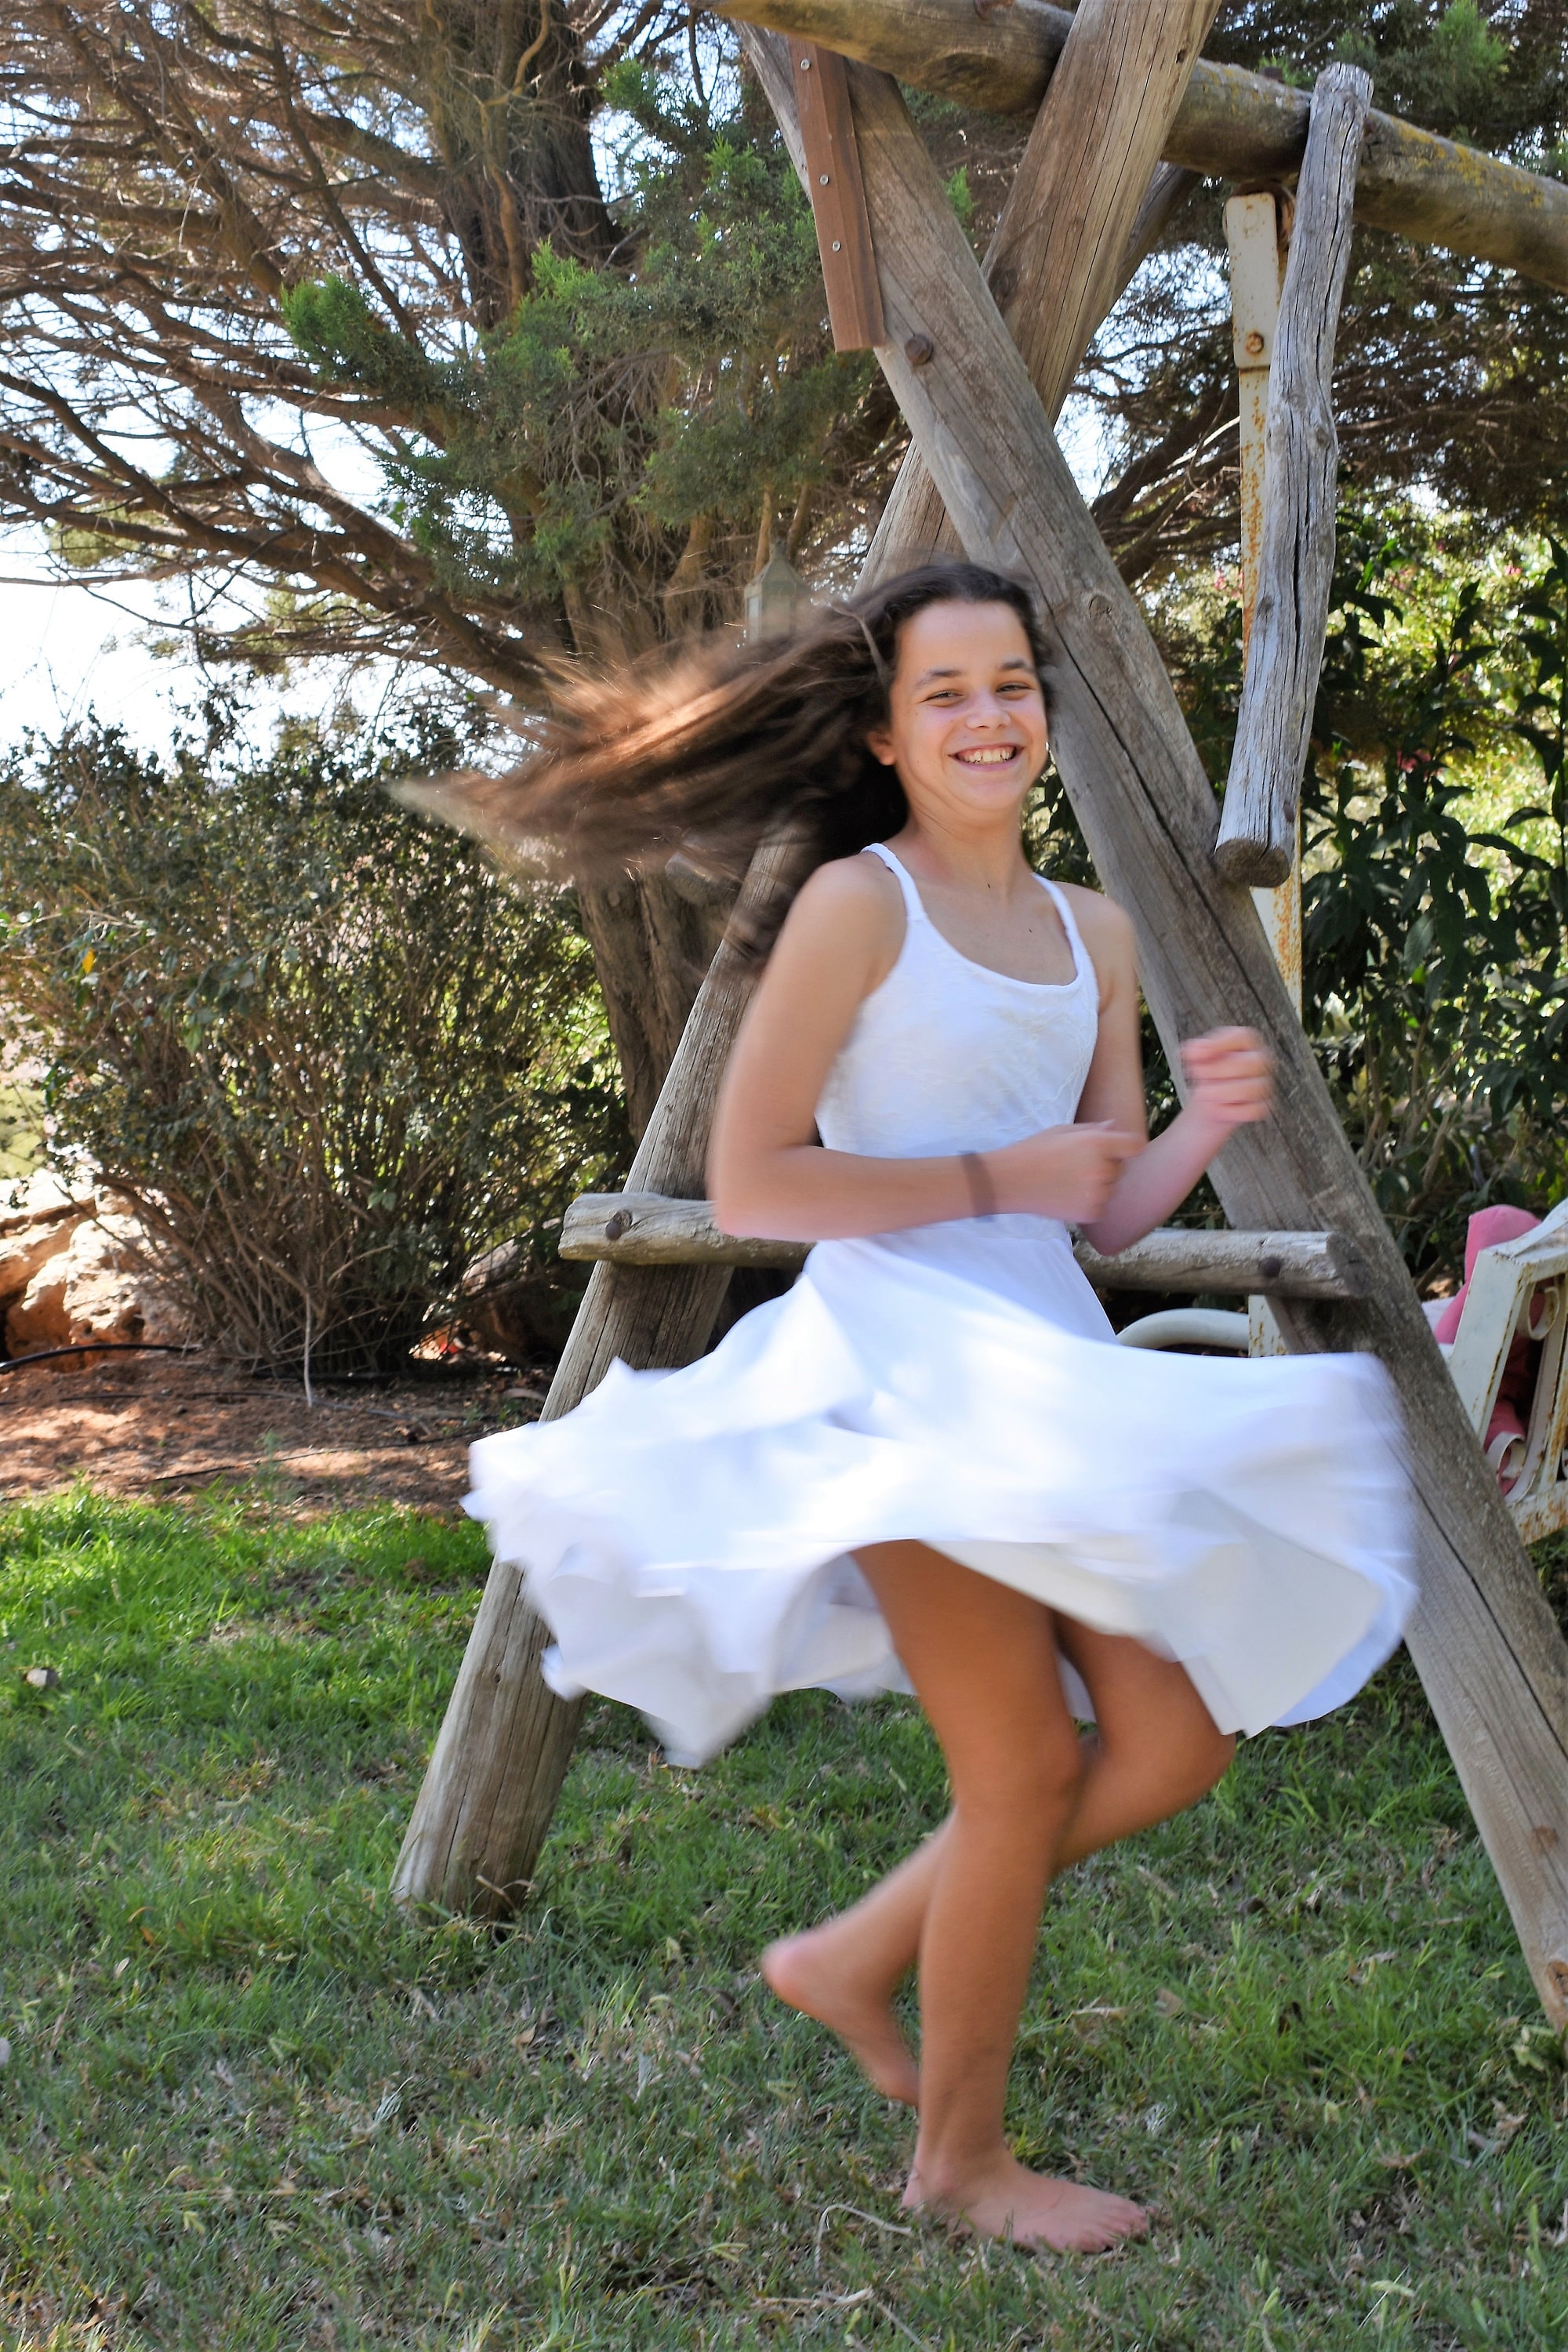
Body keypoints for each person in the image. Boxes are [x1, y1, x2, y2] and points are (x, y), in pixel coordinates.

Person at [458, 562, 1413, 2252]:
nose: (988, 716)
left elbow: (1091, 1216)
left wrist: (1189, 1136)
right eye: (947, 692)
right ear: (888, 734)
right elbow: (758, 1176)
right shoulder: (858, 908)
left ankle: (848, 1956)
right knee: (1024, 1762)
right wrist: (999, 1167)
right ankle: (960, 2169)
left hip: (1045, 1371)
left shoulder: (1089, 933)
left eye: (1010, 684)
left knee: (1176, 1741)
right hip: (895, 1378)